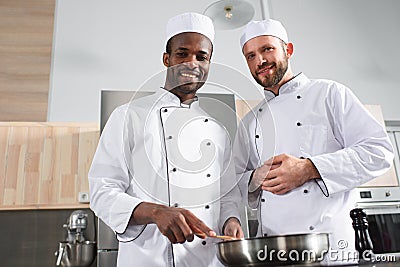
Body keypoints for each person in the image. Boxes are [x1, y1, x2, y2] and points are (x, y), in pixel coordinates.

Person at [89, 12, 243, 267]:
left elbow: (227, 196)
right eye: (182, 53)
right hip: (147, 259)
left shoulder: (218, 132)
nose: (191, 63)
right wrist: (155, 212)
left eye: (201, 57)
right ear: (166, 59)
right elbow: (101, 191)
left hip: (207, 261)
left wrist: (232, 221)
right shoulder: (129, 117)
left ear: (208, 65)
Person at [234, 19, 394, 264]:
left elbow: (379, 151)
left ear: (288, 50)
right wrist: (255, 178)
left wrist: (309, 168)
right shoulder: (250, 122)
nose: (260, 61)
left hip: (332, 252)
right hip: (274, 253)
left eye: (267, 49)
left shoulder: (330, 94)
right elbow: (232, 185)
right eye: (250, 56)